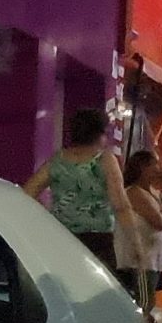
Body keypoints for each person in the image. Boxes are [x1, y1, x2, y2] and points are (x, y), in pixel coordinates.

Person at [22, 110, 134, 270]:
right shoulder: (105, 160)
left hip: (61, 239)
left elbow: (28, 192)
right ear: (100, 134)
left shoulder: (57, 161)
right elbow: (120, 205)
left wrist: (50, 215)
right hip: (97, 242)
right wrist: (134, 240)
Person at [117, 150, 162, 312]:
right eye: (154, 164)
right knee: (143, 303)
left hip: (154, 260)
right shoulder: (134, 192)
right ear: (142, 167)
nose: (158, 169)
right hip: (140, 261)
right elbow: (160, 222)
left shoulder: (155, 193)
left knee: (148, 300)